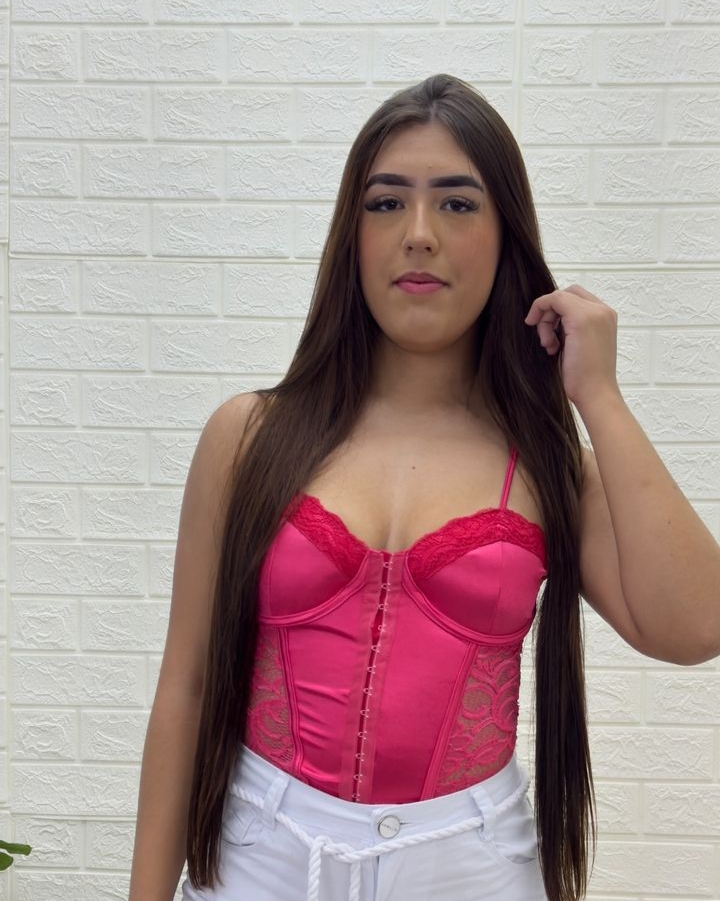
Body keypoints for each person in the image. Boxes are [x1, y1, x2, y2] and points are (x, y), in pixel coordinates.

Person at [127, 74, 720, 901]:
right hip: (262, 855)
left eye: (457, 203)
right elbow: (186, 688)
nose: (418, 234)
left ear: (507, 237)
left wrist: (599, 396)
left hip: (470, 865)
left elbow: (695, 625)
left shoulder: (547, 466)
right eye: (385, 203)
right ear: (352, 234)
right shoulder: (248, 437)